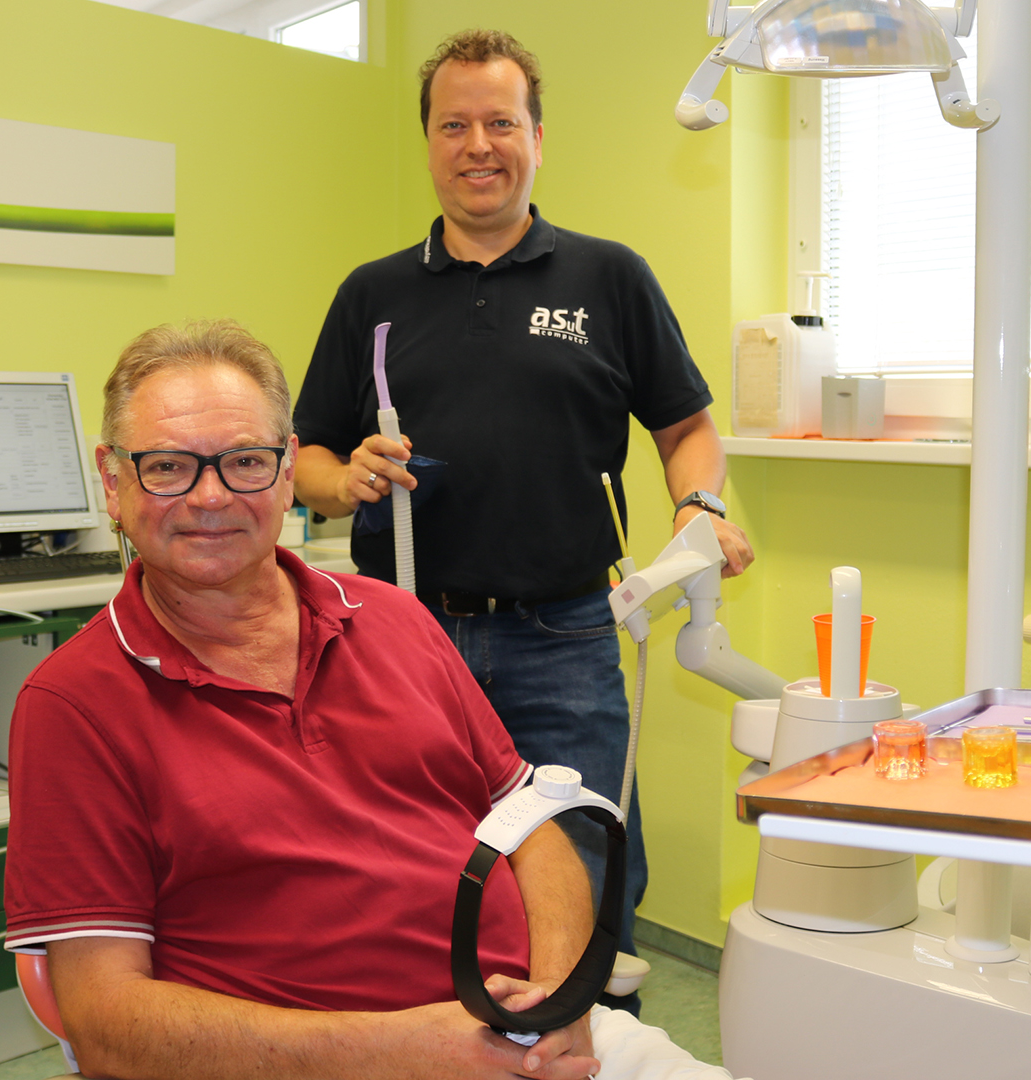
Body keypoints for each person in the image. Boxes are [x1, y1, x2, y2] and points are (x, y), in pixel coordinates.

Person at [4, 320, 742, 1080]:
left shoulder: (393, 621)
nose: (211, 497)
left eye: (246, 462)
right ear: (112, 479)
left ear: (289, 469)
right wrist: (408, 1053)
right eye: (167, 467)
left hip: (529, 1038)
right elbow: (105, 1025)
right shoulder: (76, 704)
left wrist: (563, 1000)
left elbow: (533, 823)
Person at [292, 29, 754, 989]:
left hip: (569, 634)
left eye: (501, 122)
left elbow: (687, 431)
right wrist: (350, 481)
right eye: (454, 124)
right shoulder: (370, 296)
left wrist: (698, 505)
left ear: (537, 138)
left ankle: (583, 1031)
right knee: (415, 859)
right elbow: (305, 457)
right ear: (428, 143)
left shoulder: (609, 277)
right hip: (406, 636)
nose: (478, 145)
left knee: (580, 863)